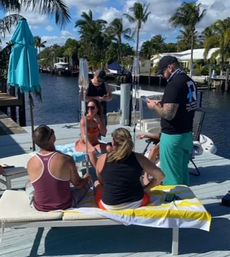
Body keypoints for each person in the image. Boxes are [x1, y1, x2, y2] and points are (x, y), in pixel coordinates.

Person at [146, 56, 197, 186]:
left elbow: (168, 114)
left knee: (170, 176)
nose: (163, 76)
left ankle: (171, 203)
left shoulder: (174, 84)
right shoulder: (189, 81)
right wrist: (163, 102)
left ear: (170, 67)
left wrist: (155, 106)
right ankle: (185, 200)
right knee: (183, 173)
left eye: (163, 72)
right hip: (187, 135)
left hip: (173, 137)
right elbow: (183, 103)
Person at [94, 128, 165, 210]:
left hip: (109, 206)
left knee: (96, 184)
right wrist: (146, 188)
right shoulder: (138, 158)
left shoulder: (102, 159)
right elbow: (161, 176)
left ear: (113, 142)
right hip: (135, 203)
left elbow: (101, 181)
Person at [27, 124, 91, 212]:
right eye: (52, 132)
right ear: (52, 138)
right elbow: (78, 184)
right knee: (86, 183)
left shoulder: (31, 163)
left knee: (29, 185)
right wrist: (87, 178)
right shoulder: (66, 159)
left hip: (40, 207)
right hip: (64, 205)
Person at [76, 99, 109, 168]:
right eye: (88, 107)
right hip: (84, 144)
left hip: (95, 142)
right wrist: (91, 147)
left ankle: (110, 168)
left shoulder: (101, 119)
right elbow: (84, 136)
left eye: (92, 107)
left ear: (97, 109)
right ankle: (99, 172)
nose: (90, 109)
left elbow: (104, 133)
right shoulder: (84, 120)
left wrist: (99, 122)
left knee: (109, 148)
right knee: (92, 152)